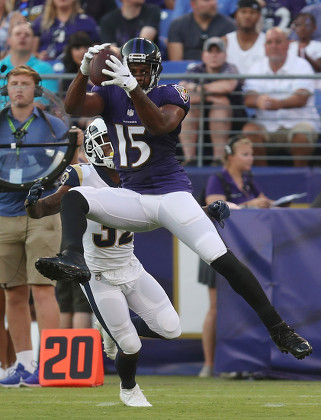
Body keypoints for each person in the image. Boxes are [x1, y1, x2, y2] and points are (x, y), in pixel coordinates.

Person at [36, 36, 312, 387]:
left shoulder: (172, 92)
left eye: (142, 69)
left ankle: (279, 329)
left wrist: (133, 86)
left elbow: (159, 125)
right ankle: (73, 257)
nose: (137, 74)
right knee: (76, 196)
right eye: (131, 67)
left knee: (223, 260)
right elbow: (74, 107)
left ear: (155, 70)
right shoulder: (111, 93)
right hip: (133, 197)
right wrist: (79, 72)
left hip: (171, 194)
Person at [26, 117, 200, 402]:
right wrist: (32, 203)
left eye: (115, 142)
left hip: (131, 266)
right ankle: (129, 389)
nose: (114, 148)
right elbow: (45, 208)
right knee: (130, 344)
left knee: (171, 328)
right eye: (107, 142)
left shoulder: (140, 175)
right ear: (94, 145)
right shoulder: (81, 174)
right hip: (97, 274)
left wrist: (204, 210)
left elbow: (172, 206)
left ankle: (110, 327)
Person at [0, 65, 74, 388]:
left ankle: (49, 365)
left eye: (25, 84)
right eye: (13, 84)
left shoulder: (54, 125)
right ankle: (24, 364)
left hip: (42, 214)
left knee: (43, 290)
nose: (18, 89)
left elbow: (67, 161)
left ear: (37, 89)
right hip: (3, 214)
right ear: (6, 89)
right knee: (13, 294)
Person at [197, 135, 272, 377]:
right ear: (230, 156)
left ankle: (235, 363)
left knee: (240, 305)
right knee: (216, 308)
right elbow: (212, 204)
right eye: (245, 154)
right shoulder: (217, 179)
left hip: (242, 250)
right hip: (216, 249)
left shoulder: (249, 181)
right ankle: (209, 364)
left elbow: (258, 202)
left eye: (252, 154)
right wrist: (251, 205)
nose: (251, 159)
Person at [242, 27, 321, 167]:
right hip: (266, 124)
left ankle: (300, 181)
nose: (273, 46)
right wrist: (258, 100)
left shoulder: (302, 65)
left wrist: (279, 104)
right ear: (265, 47)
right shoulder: (256, 67)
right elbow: (249, 97)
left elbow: (301, 97)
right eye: (269, 42)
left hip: (299, 121)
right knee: (249, 132)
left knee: (302, 136)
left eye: (278, 41)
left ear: (288, 45)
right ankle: (262, 181)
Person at [179, 37, 245, 165]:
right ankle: (190, 159)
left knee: (220, 108)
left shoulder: (230, 68)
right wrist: (214, 97)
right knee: (188, 109)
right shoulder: (195, 69)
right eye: (210, 51)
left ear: (225, 55)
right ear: (204, 55)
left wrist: (198, 89)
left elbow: (227, 86)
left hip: (233, 117)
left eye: (218, 51)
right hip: (201, 115)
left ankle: (219, 159)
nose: (214, 55)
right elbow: (182, 91)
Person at [32, 0, 100, 62]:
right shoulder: (40, 21)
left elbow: (96, 50)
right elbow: (31, 52)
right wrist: (38, 56)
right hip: (46, 68)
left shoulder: (87, 21)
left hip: (75, 69)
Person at [0, 21, 58, 94]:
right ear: (9, 40)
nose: (22, 36)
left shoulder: (45, 69)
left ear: (33, 41)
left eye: (27, 35)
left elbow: (45, 102)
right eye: (18, 34)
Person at [167, 0, 236, 61]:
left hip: (217, 72)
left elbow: (230, 59)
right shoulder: (178, 25)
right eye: (206, 0)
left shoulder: (229, 25)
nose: (213, 3)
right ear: (193, 4)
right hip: (187, 72)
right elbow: (176, 62)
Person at [222, 0, 266, 75]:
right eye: (243, 12)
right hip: (231, 85)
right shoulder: (225, 41)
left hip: (259, 86)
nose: (247, 16)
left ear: (259, 16)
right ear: (236, 15)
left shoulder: (267, 41)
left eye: (252, 12)